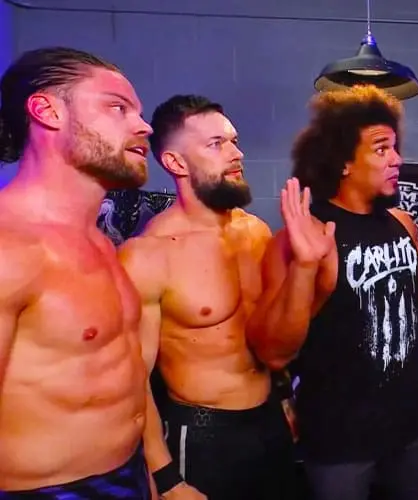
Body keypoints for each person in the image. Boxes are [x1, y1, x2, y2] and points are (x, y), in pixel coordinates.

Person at [249, 85, 418, 500]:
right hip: (339, 438)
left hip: (412, 425)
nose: (397, 159)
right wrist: (305, 266)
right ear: (343, 162)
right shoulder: (303, 237)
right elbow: (273, 353)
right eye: (381, 149)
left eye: (394, 148)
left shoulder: (402, 223)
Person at [118, 94, 332, 500]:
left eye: (234, 141)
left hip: (269, 421)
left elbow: (265, 330)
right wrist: (165, 477)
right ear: (176, 163)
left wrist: (284, 396)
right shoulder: (148, 254)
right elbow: (134, 381)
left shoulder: (255, 231)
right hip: (202, 436)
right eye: (216, 144)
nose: (237, 154)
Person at [0, 47, 154, 497]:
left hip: (128, 473)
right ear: (47, 111)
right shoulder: (9, 247)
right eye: (117, 107)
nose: (144, 126)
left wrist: (155, 477)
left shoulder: (100, 243)